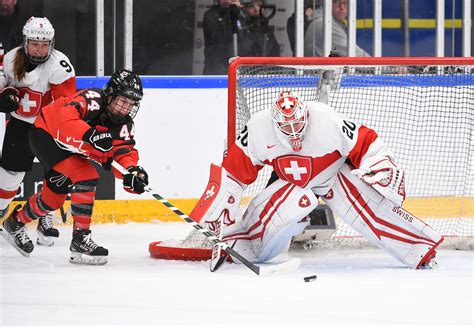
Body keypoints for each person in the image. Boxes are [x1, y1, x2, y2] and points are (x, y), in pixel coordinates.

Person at [190, 91, 444, 269]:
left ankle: (420, 249)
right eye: (286, 127)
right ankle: (240, 245)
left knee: (375, 212)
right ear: (274, 123)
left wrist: (379, 165)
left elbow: (365, 141)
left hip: (332, 174)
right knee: (284, 210)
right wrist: (221, 212)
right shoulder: (258, 129)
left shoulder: (326, 119)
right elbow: (233, 172)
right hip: (292, 184)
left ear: (306, 115)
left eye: (298, 124)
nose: (293, 131)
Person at [0, 68, 149, 266]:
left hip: (68, 148)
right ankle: (80, 239)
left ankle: (14, 222)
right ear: (111, 93)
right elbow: (64, 118)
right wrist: (89, 134)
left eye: (131, 104)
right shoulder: (92, 98)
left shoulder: (123, 125)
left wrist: (131, 173)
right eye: (123, 101)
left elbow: (123, 153)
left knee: (53, 199)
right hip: (46, 134)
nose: (126, 108)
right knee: (86, 175)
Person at [0, 17, 76, 246]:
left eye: (44, 44)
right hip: (20, 125)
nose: (40, 48)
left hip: (49, 128)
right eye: (35, 43)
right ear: (26, 41)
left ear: (51, 43)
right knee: (9, 177)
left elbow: (68, 106)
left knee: (56, 173)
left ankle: (45, 218)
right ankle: (2, 214)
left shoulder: (59, 65)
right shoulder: (11, 58)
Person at [304, 0, 370, 57]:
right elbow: (358, 56)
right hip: (322, 71)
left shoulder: (332, 22)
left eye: (345, 3)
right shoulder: (324, 24)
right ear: (326, 3)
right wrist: (378, 66)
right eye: (336, 2)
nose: (342, 7)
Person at [202, 0, 243, 75]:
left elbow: (244, 41)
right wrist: (228, 13)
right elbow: (216, 38)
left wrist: (236, 15)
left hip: (236, 65)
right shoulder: (210, 14)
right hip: (215, 66)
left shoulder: (239, 17)